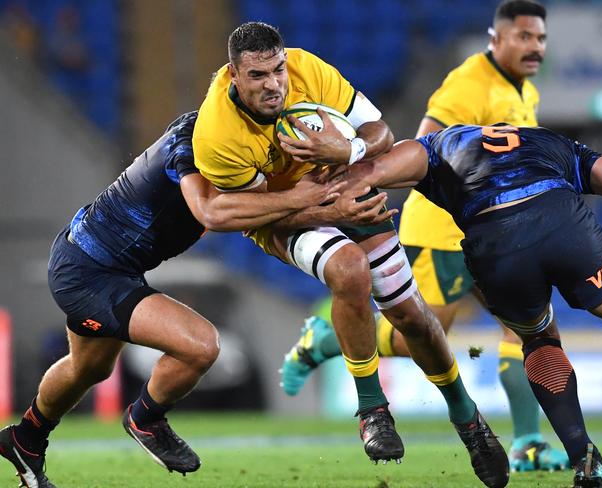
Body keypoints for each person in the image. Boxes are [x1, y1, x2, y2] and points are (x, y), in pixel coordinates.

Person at [193, 21, 510, 487]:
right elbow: (256, 214)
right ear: (234, 75)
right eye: (258, 76)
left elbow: (382, 132)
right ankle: (372, 410)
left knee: (412, 317)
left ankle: (468, 420)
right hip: (279, 217)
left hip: (345, 186)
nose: (274, 84)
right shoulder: (217, 133)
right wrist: (319, 204)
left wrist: (349, 147)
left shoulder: (308, 70)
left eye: (277, 70)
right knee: (349, 268)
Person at [280, 0, 569, 473]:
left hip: (490, 230)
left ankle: (528, 442)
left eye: (540, 38)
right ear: (496, 39)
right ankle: (327, 341)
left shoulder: (524, 93)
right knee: (420, 332)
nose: (534, 47)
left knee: (528, 321)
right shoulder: (468, 84)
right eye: (523, 37)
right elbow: (425, 145)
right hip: (443, 230)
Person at [0, 111, 351, 488]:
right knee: (200, 345)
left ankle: (25, 440)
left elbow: (259, 218)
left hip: (97, 261)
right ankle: (145, 418)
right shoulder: (190, 146)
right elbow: (211, 212)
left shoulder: (233, 148)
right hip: (90, 272)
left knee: (89, 369)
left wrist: (323, 211)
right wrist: (305, 200)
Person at [337, 122, 602, 488]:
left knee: (538, 339)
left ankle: (583, 457)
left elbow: (371, 172)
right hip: (565, 227)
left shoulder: (437, 145)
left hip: (497, 248)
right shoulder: (550, 141)